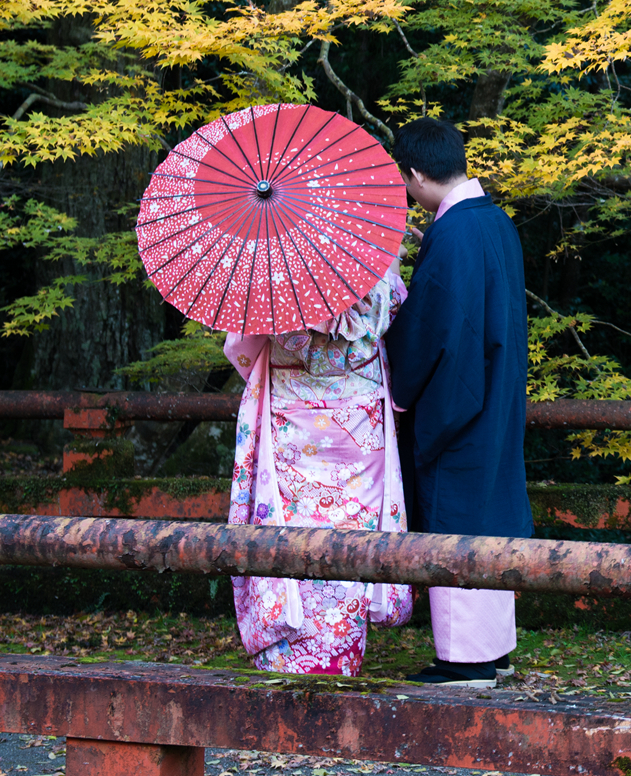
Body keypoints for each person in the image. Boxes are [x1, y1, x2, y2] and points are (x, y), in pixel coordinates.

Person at [385, 117, 533, 687]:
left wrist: (399, 384)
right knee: (490, 512)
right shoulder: (493, 222)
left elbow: (432, 330)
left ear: (416, 173)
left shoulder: (453, 236)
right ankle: (493, 651)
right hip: (495, 393)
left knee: (457, 517)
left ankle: (465, 661)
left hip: (462, 404)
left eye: (406, 179)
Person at [225, 268, 414, 675]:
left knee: (287, 525)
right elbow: (397, 315)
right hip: (359, 427)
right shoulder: (367, 260)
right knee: (354, 530)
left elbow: (242, 346)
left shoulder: (273, 268)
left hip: (292, 421)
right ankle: (342, 656)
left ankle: (288, 654)